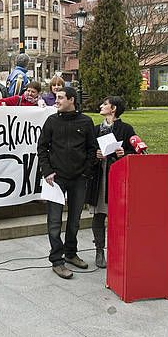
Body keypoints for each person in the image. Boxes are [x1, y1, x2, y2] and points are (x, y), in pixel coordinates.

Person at [37, 87, 97, 279]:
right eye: (56, 97)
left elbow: (91, 149)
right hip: (56, 179)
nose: (57, 101)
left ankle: (71, 253)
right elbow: (42, 148)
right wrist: (47, 171)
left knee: (74, 221)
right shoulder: (52, 121)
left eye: (61, 98)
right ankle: (57, 260)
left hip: (79, 178)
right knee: (54, 222)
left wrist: (86, 171)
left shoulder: (86, 122)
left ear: (72, 100)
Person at [86, 96, 137, 268]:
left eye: (105, 104)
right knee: (99, 215)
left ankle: (117, 251)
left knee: (118, 218)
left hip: (117, 180)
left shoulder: (126, 129)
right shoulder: (94, 129)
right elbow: (87, 151)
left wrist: (125, 153)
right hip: (99, 178)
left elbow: (136, 151)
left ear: (113, 108)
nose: (101, 106)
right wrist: (95, 155)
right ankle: (99, 251)